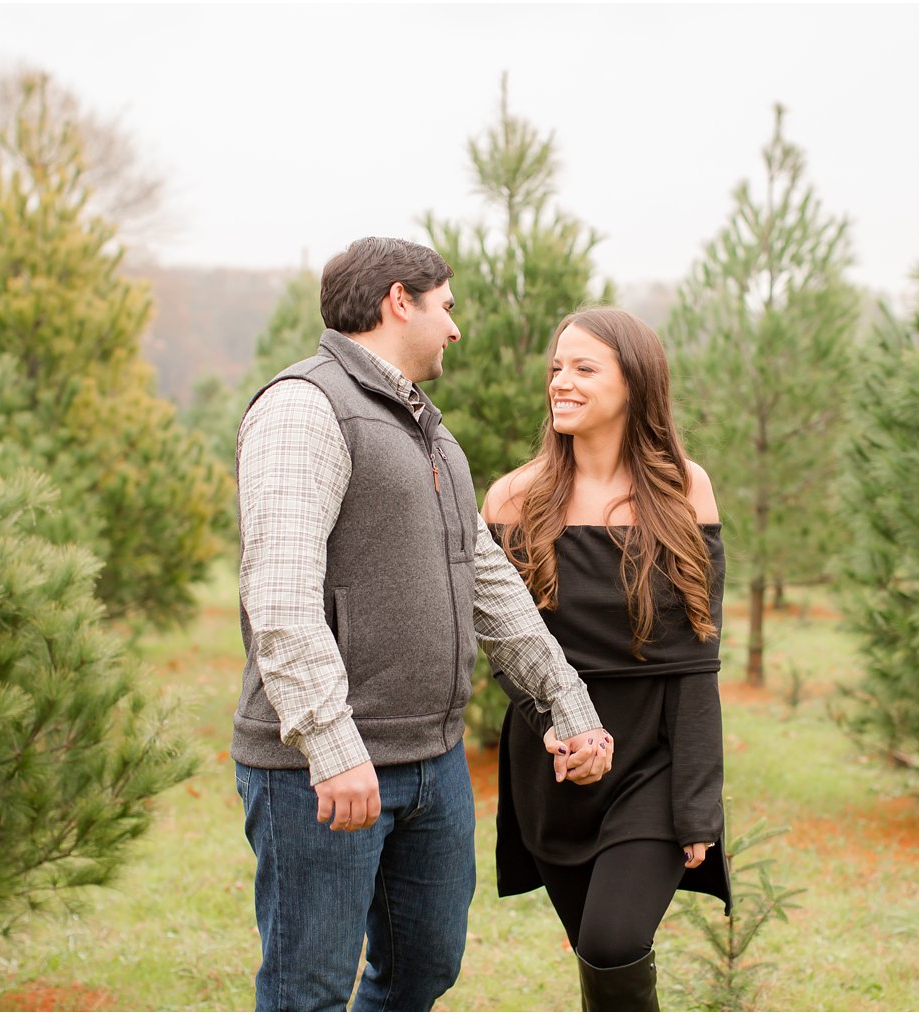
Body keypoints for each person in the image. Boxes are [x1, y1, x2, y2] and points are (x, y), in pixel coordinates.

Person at [231, 237, 615, 1012]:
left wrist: (566, 701)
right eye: (446, 305)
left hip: (431, 765)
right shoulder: (305, 409)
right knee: (307, 990)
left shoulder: (428, 431)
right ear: (396, 301)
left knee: (423, 969)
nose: (455, 327)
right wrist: (333, 749)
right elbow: (279, 596)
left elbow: (490, 585)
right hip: (324, 768)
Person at [483, 307, 730, 1012]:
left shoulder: (684, 489)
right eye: (557, 367)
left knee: (616, 938)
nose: (561, 381)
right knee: (599, 959)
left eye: (584, 368)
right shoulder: (513, 497)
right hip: (555, 761)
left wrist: (696, 803)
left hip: (651, 757)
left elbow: (696, 656)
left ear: (635, 383)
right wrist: (557, 726)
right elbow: (506, 645)